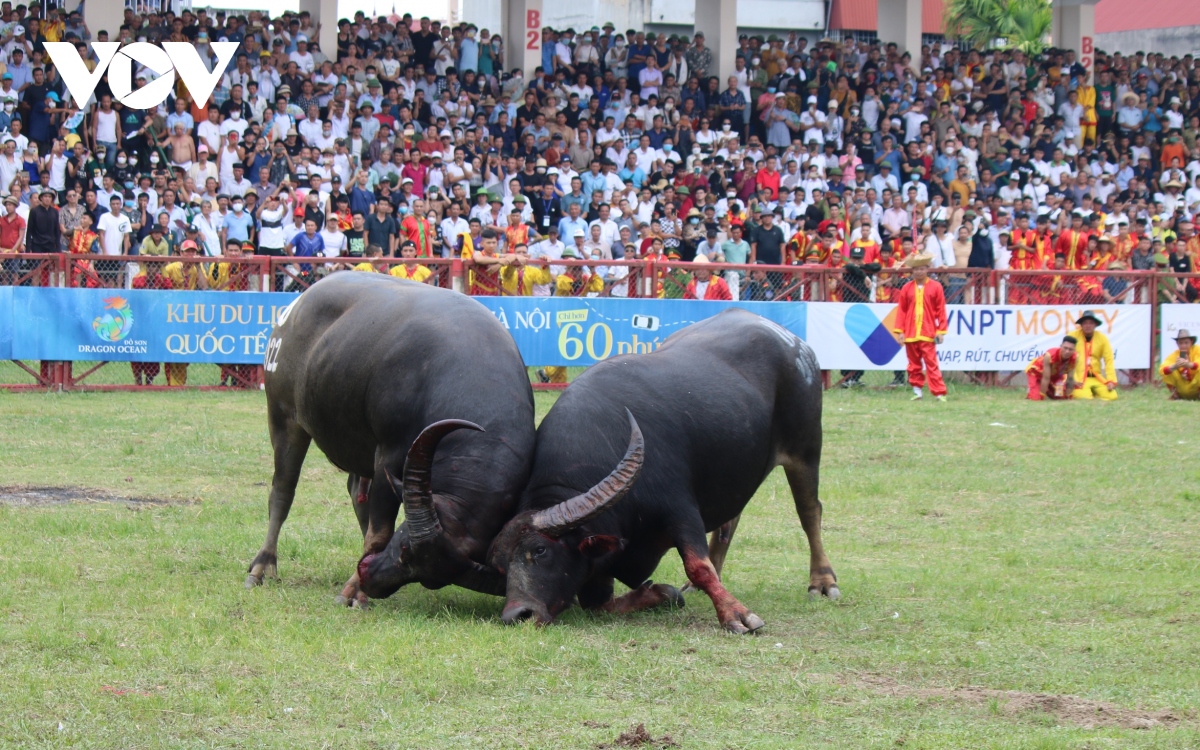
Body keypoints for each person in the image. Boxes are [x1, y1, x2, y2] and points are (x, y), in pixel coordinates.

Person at [892, 254, 948, 402]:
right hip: (910, 333)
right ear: (912, 271)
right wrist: (900, 331)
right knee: (913, 364)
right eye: (916, 269)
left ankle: (938, 393)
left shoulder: (936, 287)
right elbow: (901, 311)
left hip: (928, 332)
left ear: (927, 269)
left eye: (922, 269)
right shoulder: (906, 288)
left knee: (932, 363)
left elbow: (940, 310)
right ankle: (917, 391)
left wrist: (940, 330)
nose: (919, 272)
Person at [1070, 310, 1117, 401]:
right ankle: (1091, 394)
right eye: (1085, 323)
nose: (1088, 325)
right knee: (1084, 397)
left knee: (1112, 396)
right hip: (1079, 377)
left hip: (1096, 377)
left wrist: (1111, 380)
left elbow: (1109, 359)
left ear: (1095, 325)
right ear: (1081, 325)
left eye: (1091, 323)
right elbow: (1066, 360)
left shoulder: (1102, 338)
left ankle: (1095, 394)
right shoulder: (1073, 336)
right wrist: (1072, 379)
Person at [1025, 336, 1078, 400]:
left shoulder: (1075, 357)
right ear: (1061, 346)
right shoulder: (1050, 355)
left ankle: (1045, 390)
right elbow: (1045, 378)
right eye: (1065, 348)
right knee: (1037, 398)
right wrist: (1042, 396)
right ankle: (1032, 390)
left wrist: (1068, 396)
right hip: (1037, 373)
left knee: (1060, 397)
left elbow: (1070, 379)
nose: (1067, 351)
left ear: (1074, 350)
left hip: (1055, 376)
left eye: (1070, 349)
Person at [1161, 329, 1200, 401]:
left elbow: (1198, 363)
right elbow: (1162, 370)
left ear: (1191, 342)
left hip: (1196, 388)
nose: (1183, 346)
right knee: (1170, 369)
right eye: (1181, 343)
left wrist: (1189, 365)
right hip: (1182, 388)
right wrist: (1176, 366)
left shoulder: (1197, 349)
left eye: (1186, 343)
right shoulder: (1175, 354)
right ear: (1177, 344)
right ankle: (1175, 395)